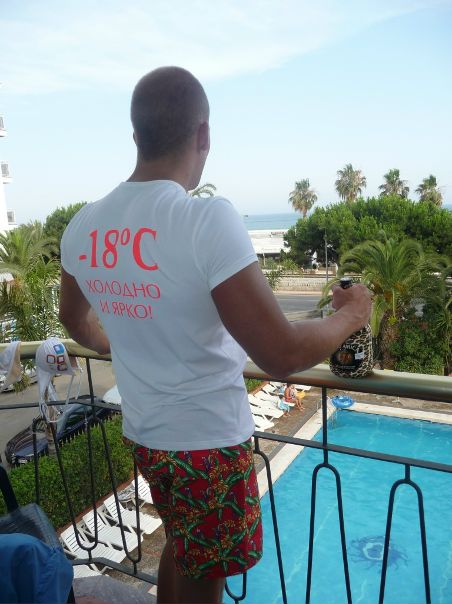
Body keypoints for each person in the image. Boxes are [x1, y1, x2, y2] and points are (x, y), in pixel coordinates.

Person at [59, 66, 372, 604]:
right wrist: (351, 316)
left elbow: (73, 319)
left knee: (183, 546)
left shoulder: (84, 225)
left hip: (147, 435)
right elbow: (279, 353)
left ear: (136, 135)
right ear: (203, 134)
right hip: (205, 443)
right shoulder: (204, 220)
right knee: (205, 578)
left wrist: (117, 342)